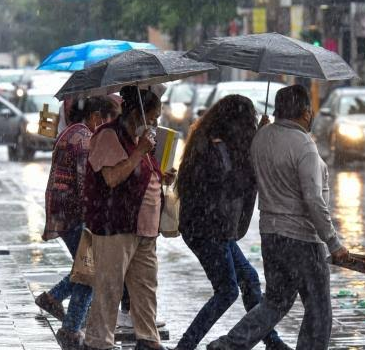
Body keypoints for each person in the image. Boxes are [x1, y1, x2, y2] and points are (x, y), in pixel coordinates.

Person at [207, 85, 349, 350]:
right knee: (319, 310)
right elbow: (314, 199)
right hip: (302, 239)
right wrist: (333, 243)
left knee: (275, 302)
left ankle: (228, 345)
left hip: (271, 235)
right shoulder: (304, 145)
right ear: (306, 112)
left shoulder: (261, 138)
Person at [174, 95, 292, 350]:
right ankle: (185, 346)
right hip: (205, 230)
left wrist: (258, 138)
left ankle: (271, 341)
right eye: (248, 121)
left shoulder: (222, 145)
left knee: (249, 279)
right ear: (235, 122)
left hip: (216, 230)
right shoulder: (213, 149)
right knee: (227, 290)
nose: (249, 126)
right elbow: (234, 184)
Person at [82, 86, 173, 350]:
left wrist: (160, 175)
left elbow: (142, 171)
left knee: (145, 287)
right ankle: (98, 342)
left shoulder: (139, 137)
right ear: (136, 112)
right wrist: (139, 152)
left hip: (145, 227)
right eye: (152, 117)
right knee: (109, 288)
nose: (154, 123)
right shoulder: (109, 136)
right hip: (115, 224)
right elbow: (112, 178)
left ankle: (148, 338)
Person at [35, 96, 121, 349]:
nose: (108, 127)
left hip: (65, 212)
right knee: (90, 271)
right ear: (96, 117)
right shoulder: (84, 139)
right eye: (107, 121)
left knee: (87, 268)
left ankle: (56, 302)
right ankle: (70, 327)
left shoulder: (71, 131)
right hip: (75, 215)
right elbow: (86, 184)